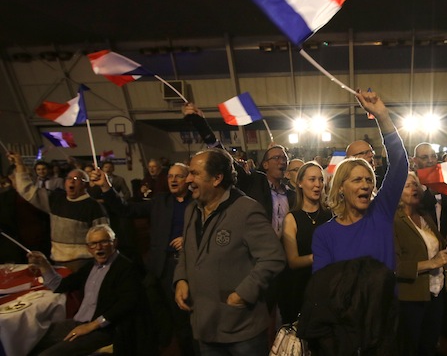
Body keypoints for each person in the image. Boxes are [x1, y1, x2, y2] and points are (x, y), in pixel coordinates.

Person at [174, 148, 285, 355]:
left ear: (217, 178)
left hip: (241, 329)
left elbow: (273, 258)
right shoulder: (192, 210)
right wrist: (181, 278)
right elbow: (188, 252)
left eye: (195, 173)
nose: (188, 179)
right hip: (206, 327)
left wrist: (243, 294)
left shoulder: (246, 210)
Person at [312, 89, 408, 273]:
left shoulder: (381, 212)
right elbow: (323, 284)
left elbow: (399, 165)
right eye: (357, 180)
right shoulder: (324, 235)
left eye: (368, 180)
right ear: (340, 187)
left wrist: (383, 116)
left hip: (385, 302)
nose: (365, 185)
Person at [28, 224, 151, 356]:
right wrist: (44, 264)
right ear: (88, 248)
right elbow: (59, 285)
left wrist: (91, 326)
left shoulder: (126, 267)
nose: (98, 247)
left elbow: (128, 303)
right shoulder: (89, 268)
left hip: (104, 329)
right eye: (93, 244)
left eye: (104, 242)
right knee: (32, 340)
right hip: (78, 322)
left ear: (114, 243)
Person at [128, 162, 196, 355]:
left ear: (188, 179)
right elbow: (129, 210)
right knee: (167, 314)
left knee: (185, 314)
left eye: (178, 176)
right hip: (162, 266)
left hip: (187, 264)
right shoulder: (160, 201)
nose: (173, 180)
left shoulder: (197, 201)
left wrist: (188, 239)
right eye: (170, 176)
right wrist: (106, 189)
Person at [394, 172, 447, 356]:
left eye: (415, 184)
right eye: (408, 185)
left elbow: (439, 251)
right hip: (412, 298)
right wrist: (431, 263)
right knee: (410, 347)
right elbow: (395, 266)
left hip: (435, 292)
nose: (414, 188)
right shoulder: (394, 222)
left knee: (430, 345)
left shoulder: (425, 216)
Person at [9, 152, 111, 272]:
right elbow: (27, 190)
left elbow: (104, 240)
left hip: (83, 263)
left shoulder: (94, 207)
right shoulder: (55, 199)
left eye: (76, 179)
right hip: (57, 260)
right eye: (69, 178)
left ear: (85, 185)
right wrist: (20, 165)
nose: (71, 182)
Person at [279, 161, 332, 324]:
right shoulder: (292, 218)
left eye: (321, 180)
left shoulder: (330, 215)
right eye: (312, 179)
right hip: (300, 290)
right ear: (300, 183)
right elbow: (293, 261)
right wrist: (320, 257)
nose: (317, 185)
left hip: (327, 288)